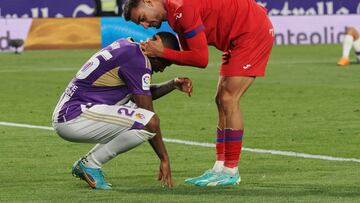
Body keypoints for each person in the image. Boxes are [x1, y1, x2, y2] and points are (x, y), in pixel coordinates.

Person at [124, 0, 274, 186]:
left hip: (251, 31)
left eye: (142, 18)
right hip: (237, 36)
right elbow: (190, 53)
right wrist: (163, 53)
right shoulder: (174, 14)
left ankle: (231, 170)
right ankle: (220, 167)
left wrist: (162, 53)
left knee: (229, 99)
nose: (146, 25)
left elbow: (201, 59)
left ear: (148, 2)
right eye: (141, 24)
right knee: (220, 100)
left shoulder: (182, 9)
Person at [52, 32, 193, 189]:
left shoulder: (128, 47)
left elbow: (139, 95)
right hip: (75, 117)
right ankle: (91, 164)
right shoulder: (138, 62)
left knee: (137, 112)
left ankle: (89, 164)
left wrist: (172, 84)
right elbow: (146, 113)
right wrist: (164, 157)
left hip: (72, 111)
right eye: (165, 63)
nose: (162, 69)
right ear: (157, 51)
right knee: (150, 122)